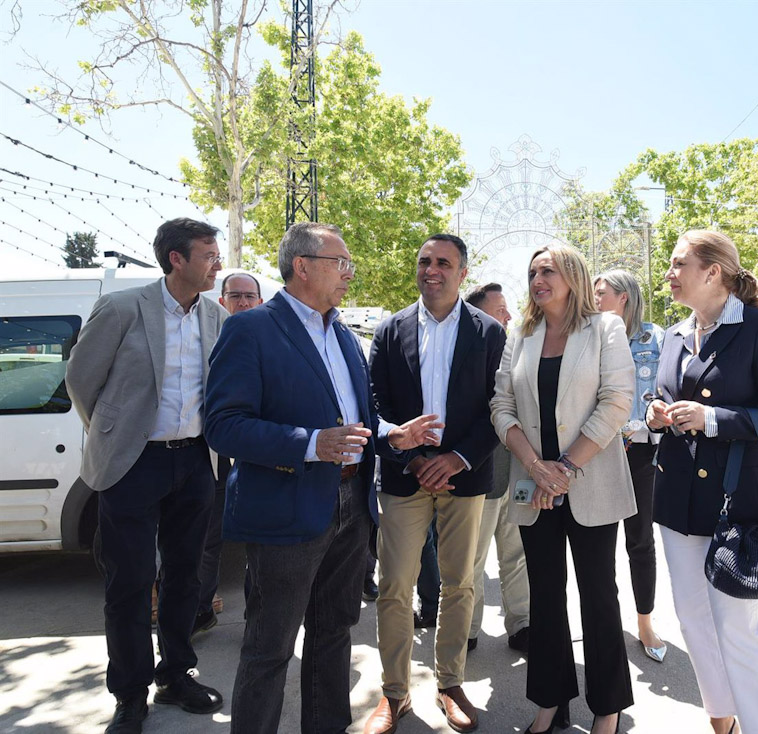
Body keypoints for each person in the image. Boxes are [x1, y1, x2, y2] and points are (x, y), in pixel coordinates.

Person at [204, 222, 440, 734]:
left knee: (334, 634)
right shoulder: (250, 330)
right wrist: (310, 444)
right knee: (270, 647)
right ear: (303, 266)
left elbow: (357, 415)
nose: (349, 275)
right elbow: (223, 425)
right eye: (342, 263)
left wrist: (393, 433)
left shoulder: (345, 336)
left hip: (353, 506)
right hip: (289, 509)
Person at [66, 217, 228, 733]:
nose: (216, 264)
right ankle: (130, 693)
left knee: (186, 577)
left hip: (195, 460)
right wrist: (116, 434)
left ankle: (175, 675)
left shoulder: (215, 316)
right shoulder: (121, 307)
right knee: (130, 581)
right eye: (208, 254)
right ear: (176, 259)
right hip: (133, 463)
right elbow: (80, 380)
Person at [647, 230, 758, 734]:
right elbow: (664, 393)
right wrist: (656, 415)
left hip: (740, 500)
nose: (668, 274)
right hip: (676, 498)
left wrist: (713, 418)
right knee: (694, 621)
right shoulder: (673, 335)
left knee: (740, 630)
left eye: (677, 264)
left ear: (712, 272)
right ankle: (723, 723)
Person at [490, 244, 636, 734]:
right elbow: (500, 406)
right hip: (534, 487)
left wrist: (566, 468)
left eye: (547, 270)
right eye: (532, 272)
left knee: (599, 595)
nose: (537, 280)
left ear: (573, 275)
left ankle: (608, 706)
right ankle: (550, 701)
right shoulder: (521, 331)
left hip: (588, 481)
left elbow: (617, 402)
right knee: (545, 598)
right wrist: (536, 466)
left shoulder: (605, 328)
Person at [365, 234, 507, 734]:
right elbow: (375, 405)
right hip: (405, 478)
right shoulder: (388, 330)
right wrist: (415, 454)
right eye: (424, 261)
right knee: (395, 586)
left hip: (465, 479)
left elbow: (500, 408)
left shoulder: (490, 333)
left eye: (443, 263)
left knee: (459, 585)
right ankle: (395, 694)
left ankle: (450, 684)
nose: (432, 270)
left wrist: (455, 458)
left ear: (462, 272)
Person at [594, 269, 666, 663]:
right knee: (598, 546)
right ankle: (605, 625)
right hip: (598, 452)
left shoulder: (657, 339)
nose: (594, 300)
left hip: (640, 453)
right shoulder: (589, 337)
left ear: (623, 297)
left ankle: (644, 622)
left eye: (601, 293)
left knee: (640, 542)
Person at [190, 271, 266, 637]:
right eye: (236, 296)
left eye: (250, 296)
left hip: (259, 456)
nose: (243, 302)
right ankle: (200, 609)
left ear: (260, 301)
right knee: (206, 537)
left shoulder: (271, 338)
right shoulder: (205, 336)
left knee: (259, 545)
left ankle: (257, 618)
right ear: (222, 301)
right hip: (210, 453)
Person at [463, 282, 530, 653]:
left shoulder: (517, 350)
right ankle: (467, 629)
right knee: (471, 559)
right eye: (500, 308)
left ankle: (521, 624)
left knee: (516, 555)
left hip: (517, 473)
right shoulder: (465, 352)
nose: (508, 315)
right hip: (479, 476)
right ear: (476, 312)